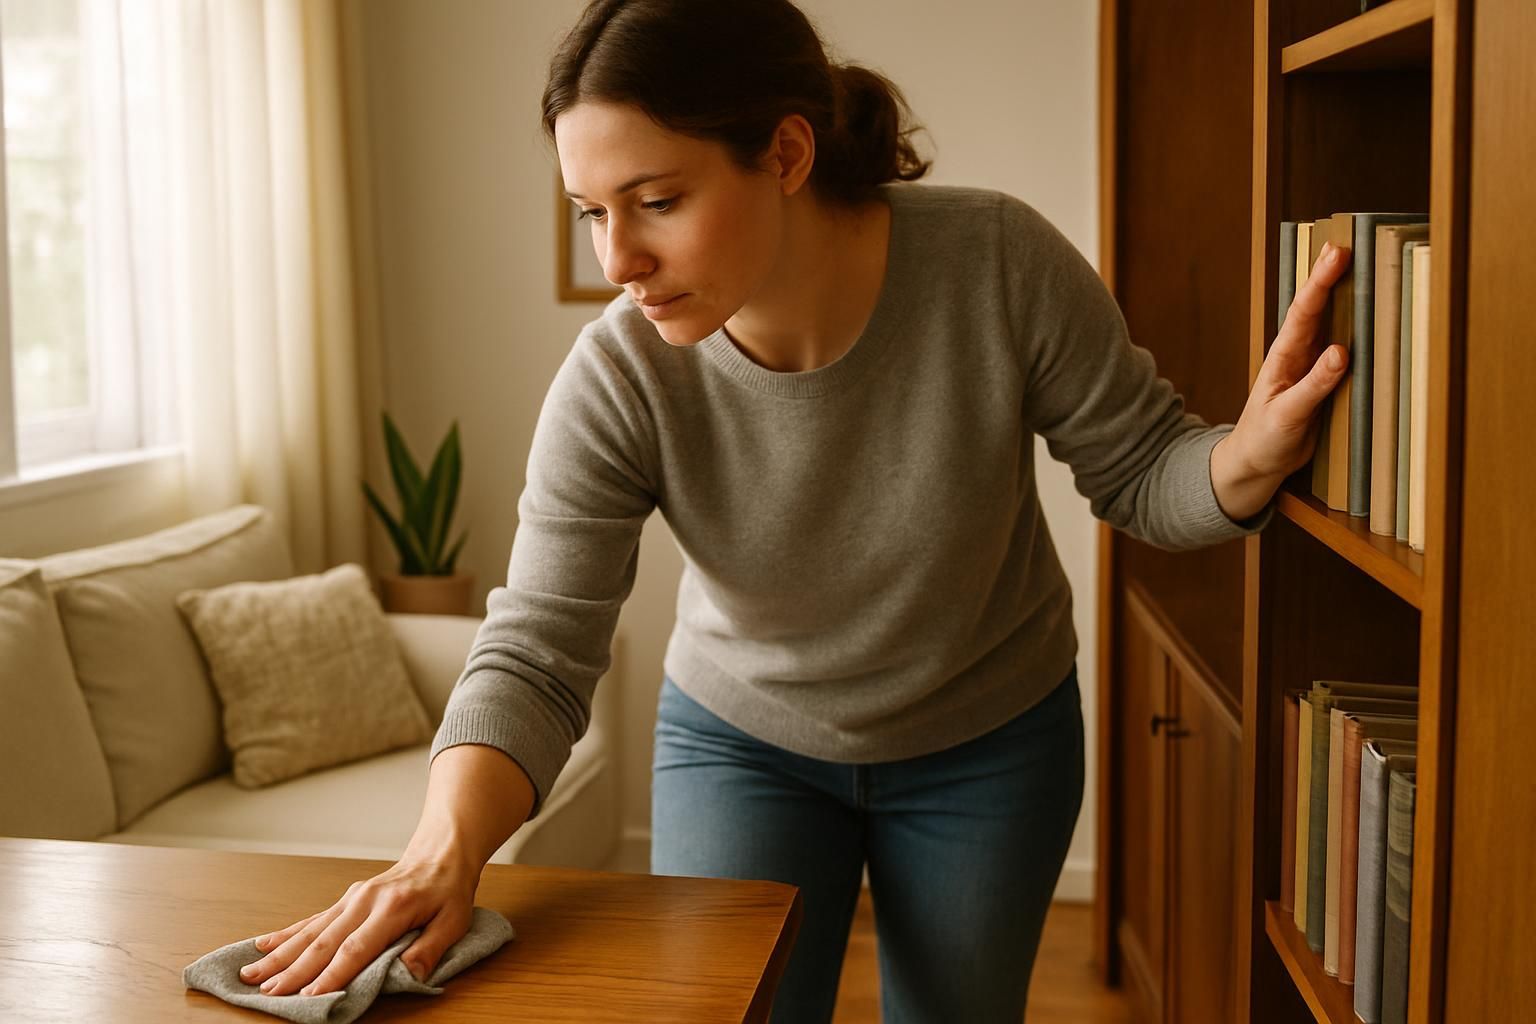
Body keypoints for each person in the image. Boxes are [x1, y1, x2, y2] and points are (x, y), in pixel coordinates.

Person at [236, 1, 1353, 1020]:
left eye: (657, 201)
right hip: (742, 744)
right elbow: (536, 647)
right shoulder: (619, 375)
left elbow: (1144, 468)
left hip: (988, 743)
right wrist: (442, 849)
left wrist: (1246, 455)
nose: (619, 259)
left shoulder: (996, 264)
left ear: (785, 151)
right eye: (590, 211)